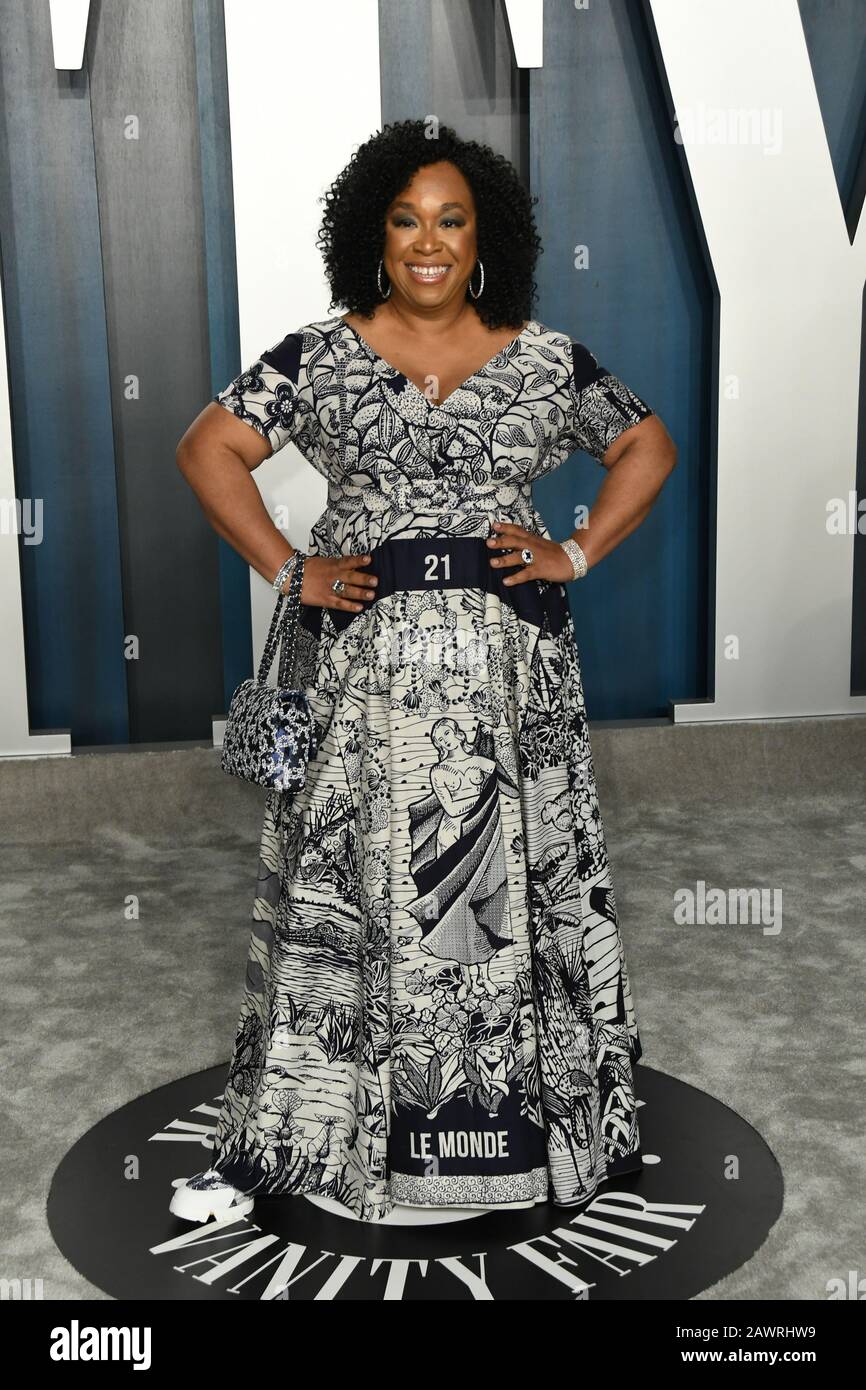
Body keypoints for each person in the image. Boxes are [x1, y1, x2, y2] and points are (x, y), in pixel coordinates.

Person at [169, 118, 677, 1225]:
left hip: (512, 676)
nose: (428, 242)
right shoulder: (319, 354)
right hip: (361, 678)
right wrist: (290, 568)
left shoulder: (547, 359)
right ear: (373, 236)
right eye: (404, 221)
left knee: (517, 893)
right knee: (344, 894)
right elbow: (206, 445)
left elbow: (646, 443)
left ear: (483, 235)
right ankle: (304, 1134)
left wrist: (574, 551)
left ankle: (549, 1126)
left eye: (450, 219)